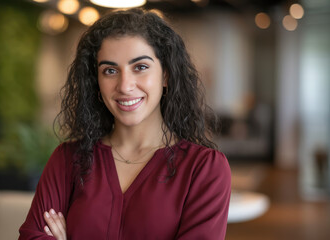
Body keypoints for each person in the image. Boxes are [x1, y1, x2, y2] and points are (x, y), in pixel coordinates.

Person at [19, 8, 231, 240]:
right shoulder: (68, 160)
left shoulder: (204, 169)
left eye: (140, 67)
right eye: (110, 71)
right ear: (96, 82)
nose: (124, 85)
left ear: (166, 75)